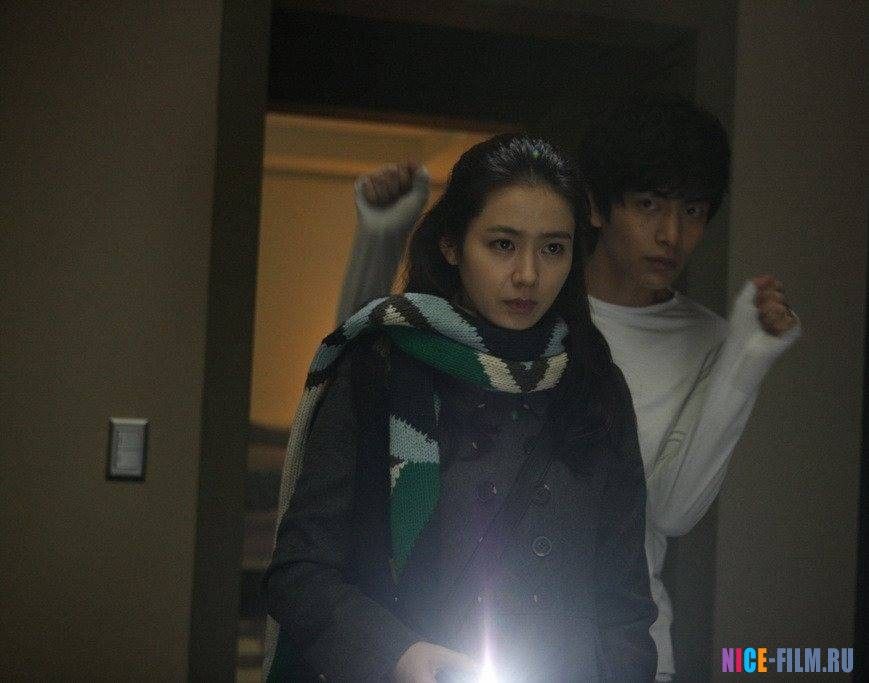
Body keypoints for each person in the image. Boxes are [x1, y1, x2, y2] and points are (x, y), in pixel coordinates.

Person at [336, 94, 801, 681]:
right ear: (597, 208)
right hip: (461, 634)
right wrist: (381, 239)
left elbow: (673, 509)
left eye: (693, 211)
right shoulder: (525, 301)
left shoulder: (705, 341)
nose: (671, 234)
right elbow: (360, 383)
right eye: (649, 205)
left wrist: (748, 356)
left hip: (614, 641)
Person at [264, 135, 658, 681]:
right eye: (502, 244)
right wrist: (397, 655)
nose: (528, 275)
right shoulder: (384, 365)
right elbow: (300, 571)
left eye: (552, 249)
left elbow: (624, 604)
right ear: (452, 245)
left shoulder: (592, 380)